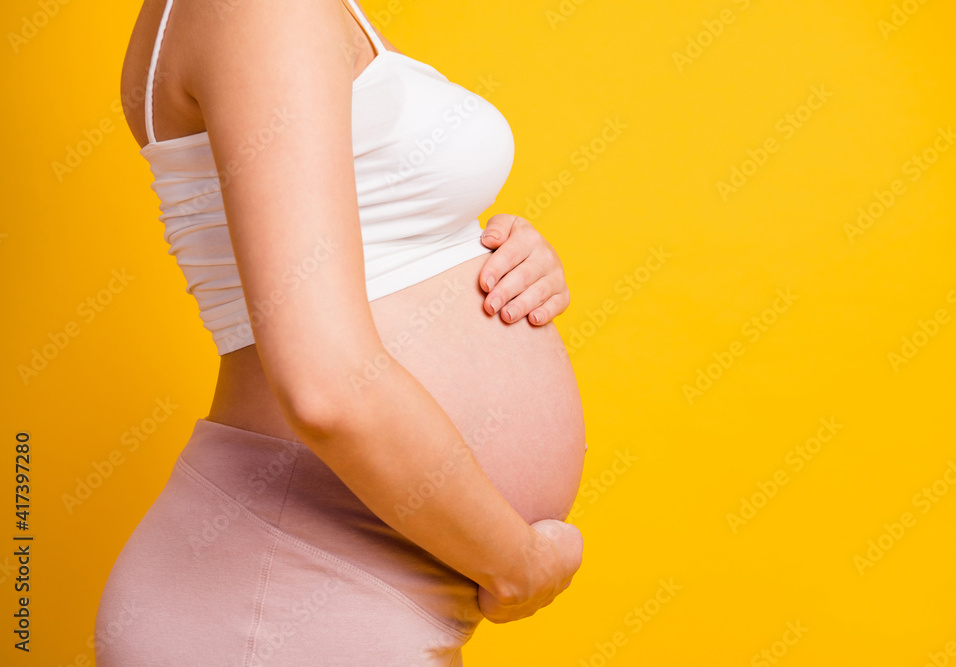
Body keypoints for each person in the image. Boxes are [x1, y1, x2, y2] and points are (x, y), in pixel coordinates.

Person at [96, 0, 588, 663]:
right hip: (278, 593)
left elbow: (358, 221)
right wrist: (516, 561)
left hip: (325, 596)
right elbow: (328, 382)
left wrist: (481, 249)